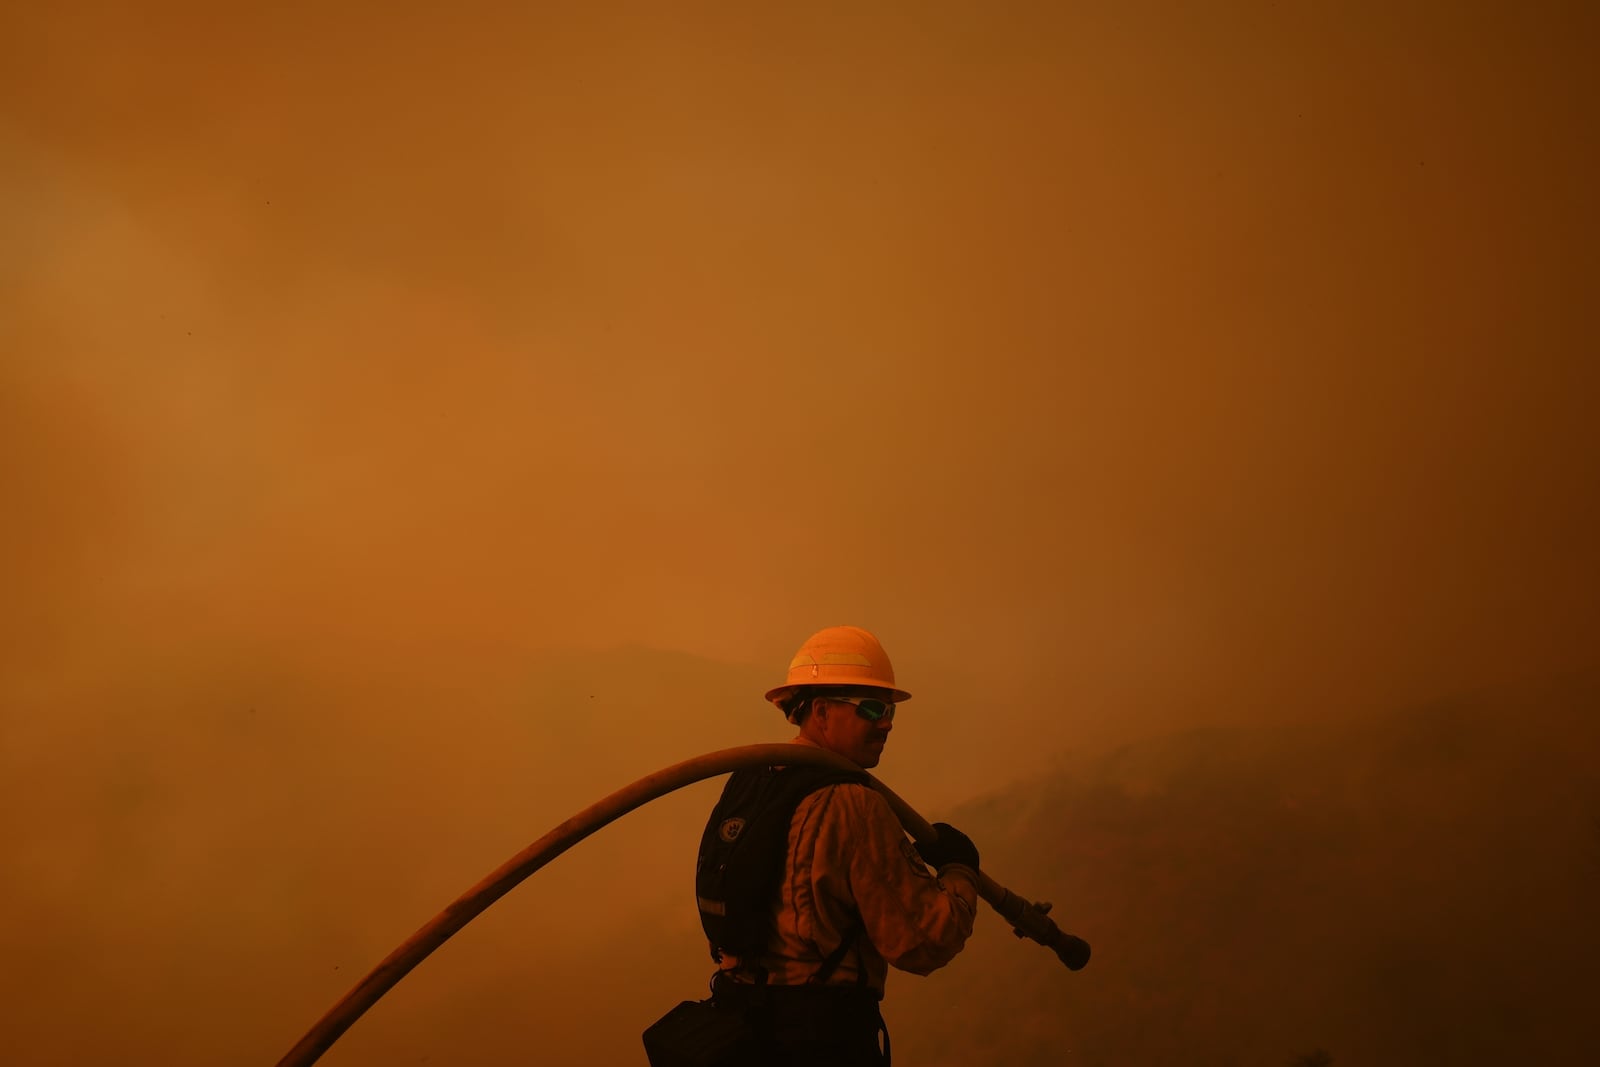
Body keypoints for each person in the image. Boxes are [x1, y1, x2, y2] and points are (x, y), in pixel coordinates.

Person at [697, 625, 982, 1066]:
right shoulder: (852, 803)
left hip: (741, 1030)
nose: (885, 722)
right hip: (819, 1039)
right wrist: (961, 871)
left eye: (889, 709)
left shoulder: (751, 779)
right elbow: (923, 940)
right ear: (822, 712)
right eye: (870, 708)